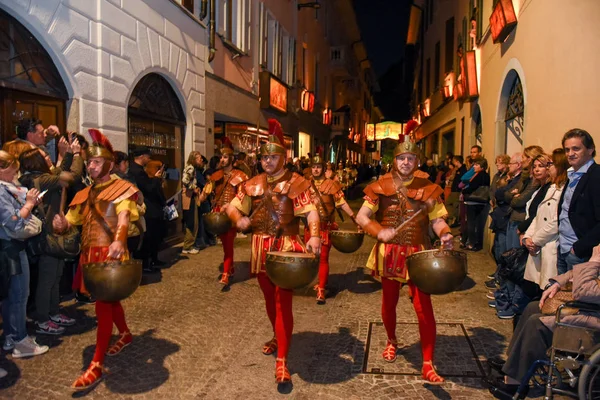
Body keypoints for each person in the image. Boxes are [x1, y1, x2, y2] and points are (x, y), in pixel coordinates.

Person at [225, 119, 321, 384]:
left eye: (272, 156)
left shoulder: (297, 182)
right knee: (270, 301)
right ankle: (278, 336)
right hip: (260, 248)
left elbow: (311, 210)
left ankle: (282, 362)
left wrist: (314, 235)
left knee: (282, 303)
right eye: (264, 157)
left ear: (283, 157)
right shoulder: (252, 183)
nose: (267, 161)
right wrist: (237, 219)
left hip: (287, 248)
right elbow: (232, 207)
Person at [354, 135, 453, 384]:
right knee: (389, 303)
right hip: (390, 253)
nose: (406, 162)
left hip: (418, 253)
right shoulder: (380, 185)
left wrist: (445, 233)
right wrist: (379, 231)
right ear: (394, 161)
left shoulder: (429, 187)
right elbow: (362, 216)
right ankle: (391, 340)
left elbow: (437, 219)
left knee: (423, 307)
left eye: (410, 158)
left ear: (417, 161)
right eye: (401, 158)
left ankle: (428, 363)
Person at [52, 129, 140, 390]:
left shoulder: (123, 189)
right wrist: (61, 224)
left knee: (103, 306)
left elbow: (124, 217)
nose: (91, 166)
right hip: (90, 256)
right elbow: (72, 222)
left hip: (111, 253)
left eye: (96, 162)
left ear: (109, 164)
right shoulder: (85, 193)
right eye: (89, 162)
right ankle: (125, 334)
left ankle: (97, 363)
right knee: (109, 301)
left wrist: (119, 239)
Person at [486, 244, 600, 398]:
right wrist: (559, 282)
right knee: (533, 307)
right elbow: (575, 274)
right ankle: (512, 366)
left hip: (593, 322)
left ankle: (514, 382)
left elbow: (584, 292)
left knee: (537, 323)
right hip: (589, 309)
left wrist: (594, 261)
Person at [18, 148, 80, 335]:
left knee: (55, 275)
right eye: (44, 156)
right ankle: (43, 319)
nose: (49, 158)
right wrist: (77, 156)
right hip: (47, 236)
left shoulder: (33, 178)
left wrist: (67, 154)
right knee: (48, 279)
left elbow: (59, 171)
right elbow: (72, 177)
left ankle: (53, 312)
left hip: (49, 235)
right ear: (37, 162)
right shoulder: (41, 179)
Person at [0, 151, 49, 358]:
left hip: (8, 246)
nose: (16, 172)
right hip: (10, 246)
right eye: (13, 168)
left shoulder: (6, 188)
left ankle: (12, 336)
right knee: (19, 295)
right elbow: (14, 222)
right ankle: (20, 341)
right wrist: (29, 203)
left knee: (11, 296)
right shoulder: (1, 191)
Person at [305, 152, 356, 304]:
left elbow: (342, 203)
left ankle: (321, 289)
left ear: (323, 168)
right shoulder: (306, 185)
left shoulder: (332, 185)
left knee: (323, 258)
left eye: (318, 167)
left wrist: (354, 218)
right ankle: (321, 281)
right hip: (310, 227)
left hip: (326, 227)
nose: (315, 170)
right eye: (313, 167)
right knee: (313, 257)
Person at [200, 139, 248, 286]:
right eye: (221, 157)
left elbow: (242, 195)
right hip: (218, 214)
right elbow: (206, 192)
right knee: (225, 243)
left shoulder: (240, 175)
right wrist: (202, 195)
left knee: (228, 243)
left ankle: (226, 272)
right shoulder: (216, 175)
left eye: (225, 157)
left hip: (231, 214)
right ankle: (230, 267)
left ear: (232, 159)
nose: (222, 159)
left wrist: (234, 210)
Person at [521, 149, 569, 295]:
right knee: (537, 286)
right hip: (539, 244)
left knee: (548, 288)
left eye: (551, 164)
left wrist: (535, 240)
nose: (548, 168)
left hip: (549, 243)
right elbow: (538, 215)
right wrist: (527, 238)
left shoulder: (564, 190)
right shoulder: (552, 188)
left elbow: (556, 221)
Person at [557, 128, 600, 274]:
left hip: (580, 254)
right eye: (567, 149)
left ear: (590, 150)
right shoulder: (572, 174)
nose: (570, 154)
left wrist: (579, 248)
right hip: (563, 246)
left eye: (576, 149)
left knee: (576, 296)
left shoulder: (596, 175)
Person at [127, 146, 166, 272]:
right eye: (148, 157)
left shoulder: (138, 170)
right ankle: (145, 264)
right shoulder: (136, 171)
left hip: (150, 207)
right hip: (147, 208)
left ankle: (151, 261)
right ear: (142, 156)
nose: (149, 160)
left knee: (153, 236)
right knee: (147, 237)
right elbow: (148, 188)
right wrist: (155, 178)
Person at [461, 157, 490, 252]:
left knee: (470, 223)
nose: (474, 167)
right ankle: (477, 243)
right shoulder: (486, 175)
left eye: (477, 165)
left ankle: (471, 244)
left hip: (473, 201)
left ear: (482, 167)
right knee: (479, 223)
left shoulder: (479, 175)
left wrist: (464, 191)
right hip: (482, 202)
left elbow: (472, 187)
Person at [181, 151, 203, 254]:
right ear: (194, 159)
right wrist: (193, 188)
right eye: (199, 158)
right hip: (189, 197)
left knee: (192, 221)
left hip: (190, 196)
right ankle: (188, 246)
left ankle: (189, 244)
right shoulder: (191, 168)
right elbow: (185, 180)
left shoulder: (191, 167)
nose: (200, 160)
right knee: (192, 221)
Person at [446, 155, 466, 227]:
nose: (453, 163)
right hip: (454, 189)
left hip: (457, 190)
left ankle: (455, 219)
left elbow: (462, 180)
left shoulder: (463, 170)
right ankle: (452, 217)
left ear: (457, 161)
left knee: (455, 205)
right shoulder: (457, 169)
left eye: (454, 162)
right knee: (448, 203)